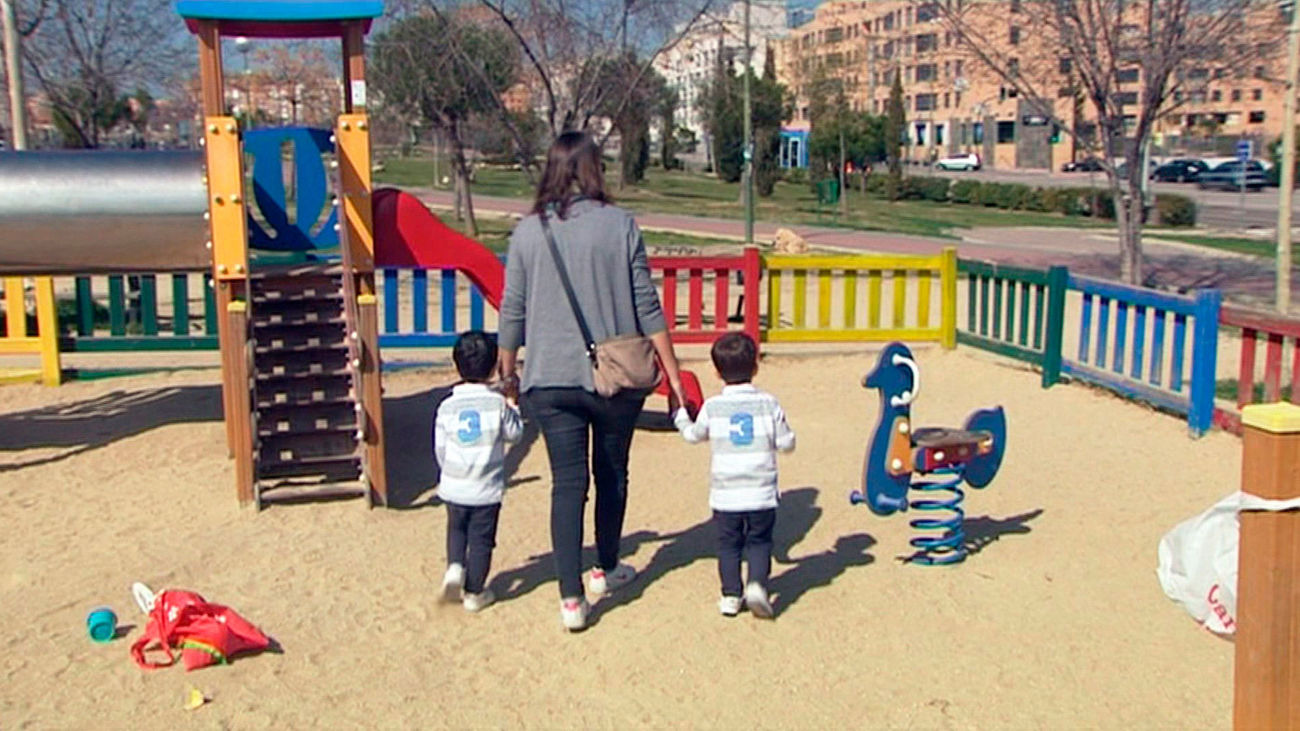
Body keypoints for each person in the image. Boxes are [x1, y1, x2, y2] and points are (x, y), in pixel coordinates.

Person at [497, 131, 691, 632]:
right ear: (592, 170)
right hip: (615, 376)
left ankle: (570, 598)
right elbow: (647, 305)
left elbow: (512, 311)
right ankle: (606, 566)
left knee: (567, 483)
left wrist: (506, 372)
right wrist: (672, 375)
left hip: (548, 376)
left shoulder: (527, 233)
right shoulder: (619, 225)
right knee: (612, 473)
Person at [673, 332, 796, 619]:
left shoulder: (714, 407)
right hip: (761, 491)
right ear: (755, 366)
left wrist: (681, 418)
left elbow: (694, 435)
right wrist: (786, 440)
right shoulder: (769, 404)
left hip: (726, 493)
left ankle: (730, 594)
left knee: (728, 544)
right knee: (760, 541)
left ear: (717, 372)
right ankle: (757, 585)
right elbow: (786, 443)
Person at [434, 331, 525, 613]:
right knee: (482, 539)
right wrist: (513, 403)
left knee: (457, 529)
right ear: (493, 368)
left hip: (454, 484)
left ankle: (454, 568)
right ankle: (475, 591)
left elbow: (440, 448)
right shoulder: (496, 404)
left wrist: (448, 471)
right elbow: (515, 434)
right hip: (486, 488)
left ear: (456, 366)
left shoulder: (447, 406)